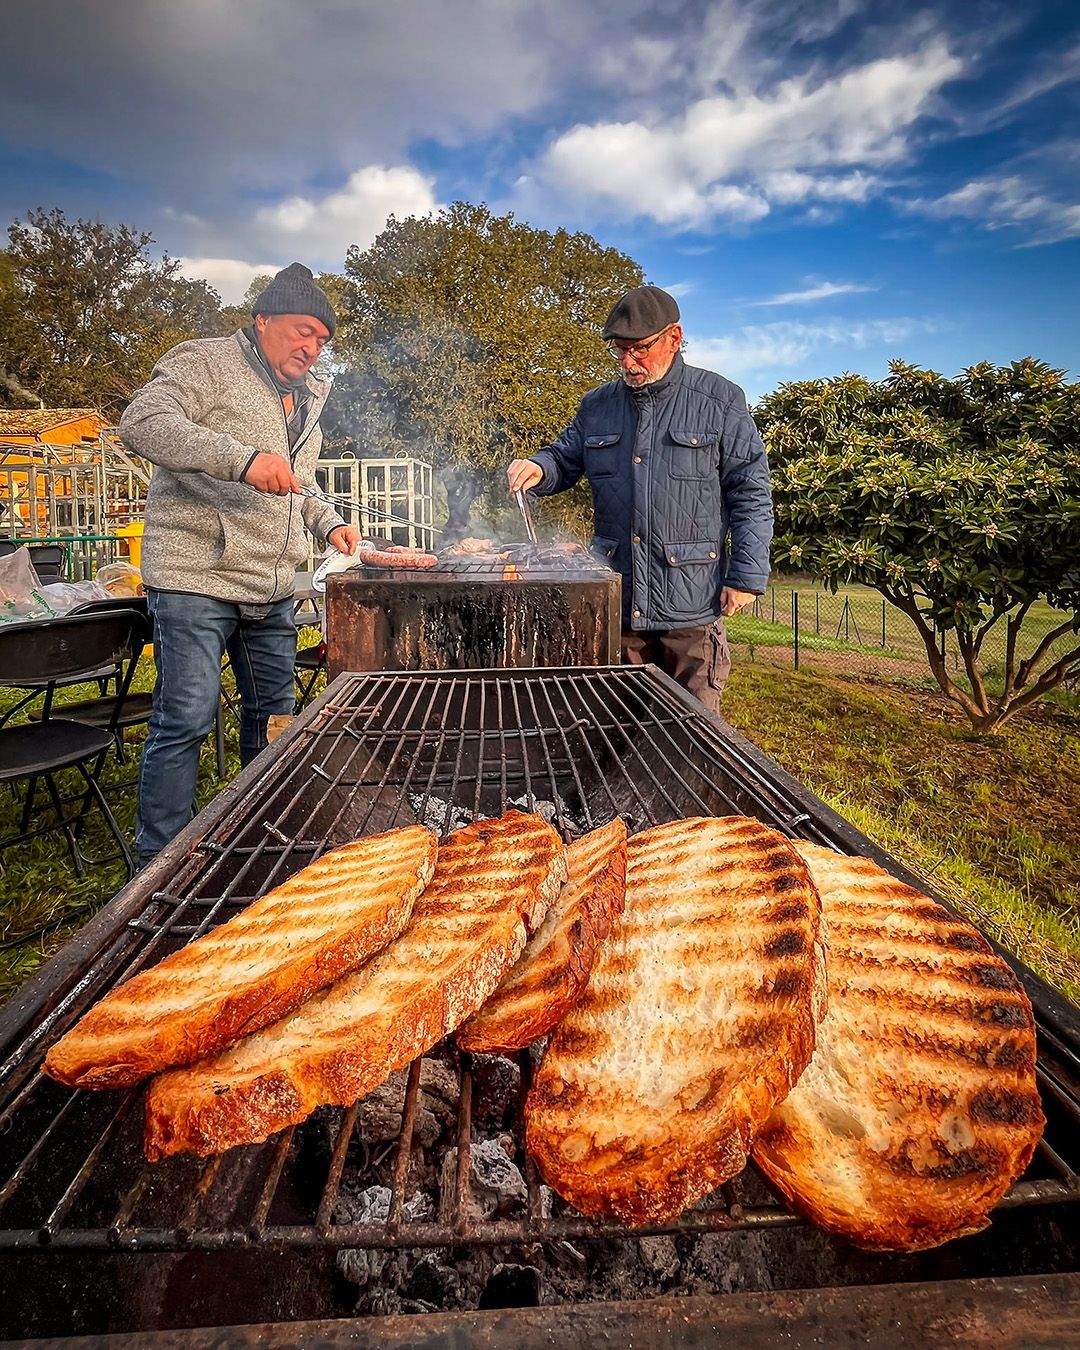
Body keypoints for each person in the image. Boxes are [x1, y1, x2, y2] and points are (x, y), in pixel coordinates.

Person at [120, 263, 362, 866]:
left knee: (275, 720)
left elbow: (299, 482)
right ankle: (158, 861)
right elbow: (142, 423)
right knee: (186, 718)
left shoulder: (309, 396)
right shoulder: (206, 362)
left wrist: (328, 522)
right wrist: (242, 459)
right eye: (303, 331)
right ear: (262, 320)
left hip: (271, 584)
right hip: (196, 578)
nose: (312, 347)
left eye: (322, 339)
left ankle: (260, 841)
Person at [507, 284, 772, 712]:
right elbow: (563, 457)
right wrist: (539, 467)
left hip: (691, 609)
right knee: (617, 728)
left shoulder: (720, 401)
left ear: (674, 337)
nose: (629, 362)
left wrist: (746, 576)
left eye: (640, 349)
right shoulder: (597, 406)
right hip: (618, 602)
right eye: (620, 350)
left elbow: (751, 492)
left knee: (693, 732)